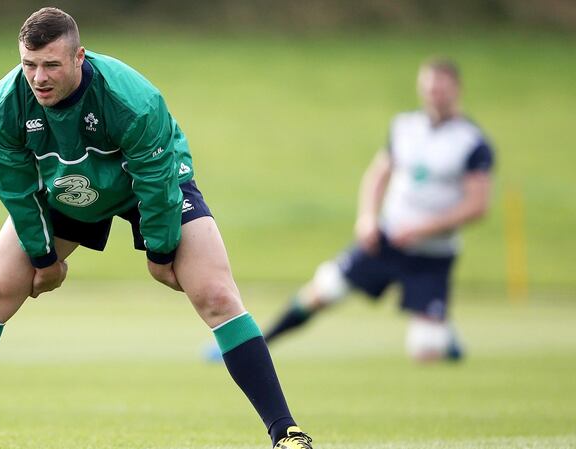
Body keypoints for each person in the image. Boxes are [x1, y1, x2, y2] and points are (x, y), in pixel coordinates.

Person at [0, 7, 313, 449]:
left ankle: (286, 434)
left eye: (51, 65)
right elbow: (16, 187)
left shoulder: (132, 100)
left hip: (148, 187)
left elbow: (156, 184)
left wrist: (160, 254)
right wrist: (43, 258)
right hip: (66, 191)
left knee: (216, 295)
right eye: (29, 64)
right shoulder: (2, 105)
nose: (38, 77)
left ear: (79, 57)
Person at [209, 58, 495, 363]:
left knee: (426, 350)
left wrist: (422, 229)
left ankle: (442, 332)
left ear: (456, 89)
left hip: (432, 254)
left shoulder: (472, 142)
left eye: (441, 88)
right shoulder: (405, 127)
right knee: (323, 291)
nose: (434, 94)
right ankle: (256, 347)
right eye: (429, 87)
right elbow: (378, 175)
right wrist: (367, 218)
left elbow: (476, 207)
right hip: (385, 239)